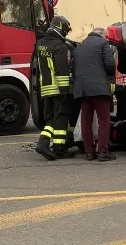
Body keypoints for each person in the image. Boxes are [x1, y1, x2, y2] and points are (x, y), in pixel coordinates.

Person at [33, 15, 75, 161]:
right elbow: (62, 70)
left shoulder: (39, 44)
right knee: (61, 117)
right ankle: (58, 149)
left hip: (45, 87)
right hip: (58, 88)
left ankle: (43, 144)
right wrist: (65, 90)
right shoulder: (60, 46)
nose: (66, 33)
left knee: (50, 119)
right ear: (60, 28)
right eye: (65, 30)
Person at [73, 28, 117, 162]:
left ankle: (89, 152)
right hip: (98, 87)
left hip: (82, 88)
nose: (107, 39)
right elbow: (110, 65)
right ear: (101, 35)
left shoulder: (78, 48)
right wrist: (108, 76)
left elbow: (74, 69)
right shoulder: (103, 44)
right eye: (107, 37)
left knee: (86, 120)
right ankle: (103, 151)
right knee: (104, 120)